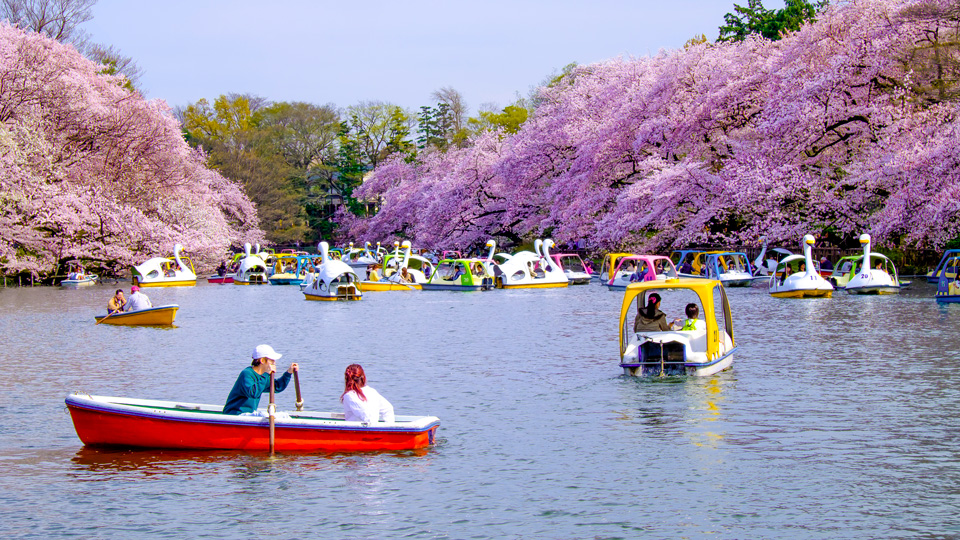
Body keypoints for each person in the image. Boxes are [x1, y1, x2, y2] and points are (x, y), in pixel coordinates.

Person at [223, 344, 299, 415]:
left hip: (249, 414)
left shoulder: (263, 377)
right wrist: (266, 374)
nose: (274, 363)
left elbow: (277, 387)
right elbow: (253, 392)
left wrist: (288, 373)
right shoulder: (246, 374)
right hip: (235, 413)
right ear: (262, 361)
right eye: (271, 360)